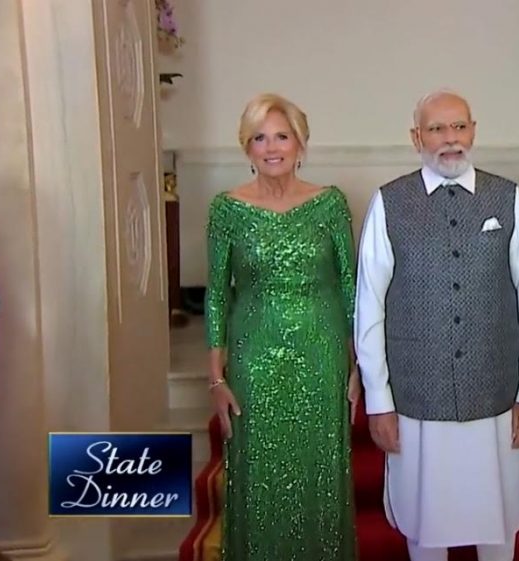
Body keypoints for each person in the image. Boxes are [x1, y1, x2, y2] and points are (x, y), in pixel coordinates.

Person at [354, 89, 519, 561]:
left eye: (459, 126)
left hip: (495, 394)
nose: (450, 138)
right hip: (417, 398)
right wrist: (378, 399)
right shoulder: (389, 202)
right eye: (437, 128)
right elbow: (369, 306)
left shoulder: (507, 198)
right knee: (425, 527)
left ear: (473, 131)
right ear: (416, 137)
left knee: (498, 521)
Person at [204, 93, 360, 561]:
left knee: (319, 477)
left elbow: (350, 286)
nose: (272, 148)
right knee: (260, 478)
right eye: (259, 138)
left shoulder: (330, 204)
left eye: (282, 136)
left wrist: (359, 367)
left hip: (321, 358)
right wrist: (216, 378)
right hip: (254, 360)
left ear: (300, 143)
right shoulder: (227, 210)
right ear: (246, 147)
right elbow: (216, 294)